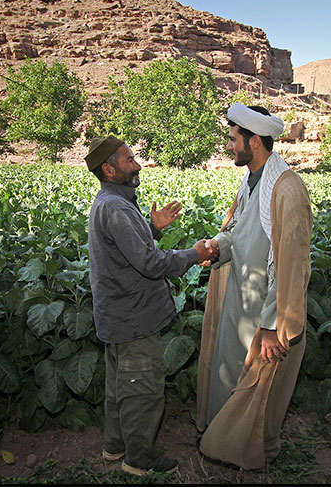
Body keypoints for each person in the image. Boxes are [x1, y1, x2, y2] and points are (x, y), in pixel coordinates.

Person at [85, 135, 218, 476]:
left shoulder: (112, 203)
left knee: (119, 388)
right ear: (109, 169)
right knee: (142, 392)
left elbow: (125, 251)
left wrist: (152, 228)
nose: (137, 165)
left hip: (117, 316)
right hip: (133, 317)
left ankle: (115, 449)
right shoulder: (115, 208)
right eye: (129, 160)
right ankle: (139, 462)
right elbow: (150, 264)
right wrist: (194, 254)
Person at [195, 103, 313, 470]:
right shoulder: (250, 182)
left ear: (255, 142)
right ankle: (222, 439)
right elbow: (239, 232)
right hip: (239, 301)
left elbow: (292, 265)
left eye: (233, 139)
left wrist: (271, 325)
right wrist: (217, 247)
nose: (229, 146)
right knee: (228, 373)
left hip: (264, 313)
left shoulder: (287, 190)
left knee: (256, 384)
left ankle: (241, 449)